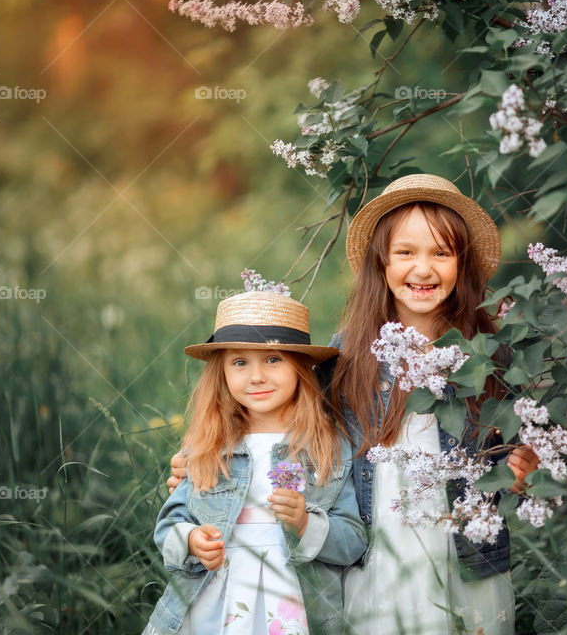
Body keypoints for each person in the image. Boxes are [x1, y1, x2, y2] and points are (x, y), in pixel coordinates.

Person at [166, 174, 539, 634]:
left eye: (441, 253)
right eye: (405, 252)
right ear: (381, 263)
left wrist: (521, 473)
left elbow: (510, 448)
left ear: (463, 265)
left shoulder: (488, 355)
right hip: (377, 542)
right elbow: (291, 425)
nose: (423, 269)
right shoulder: (348, 355)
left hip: (464, 548)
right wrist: (208, 459)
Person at [144, 290, 366, 635]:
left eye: (273, 359)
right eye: (240, 362)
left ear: (300, 366)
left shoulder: (328, 446)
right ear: (222, 372)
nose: (257, 376)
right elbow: (169, 524)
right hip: (218, 598)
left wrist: (306, 523)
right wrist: (191, 540)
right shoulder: (209, 445)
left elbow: (353, 540)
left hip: (293, 600)